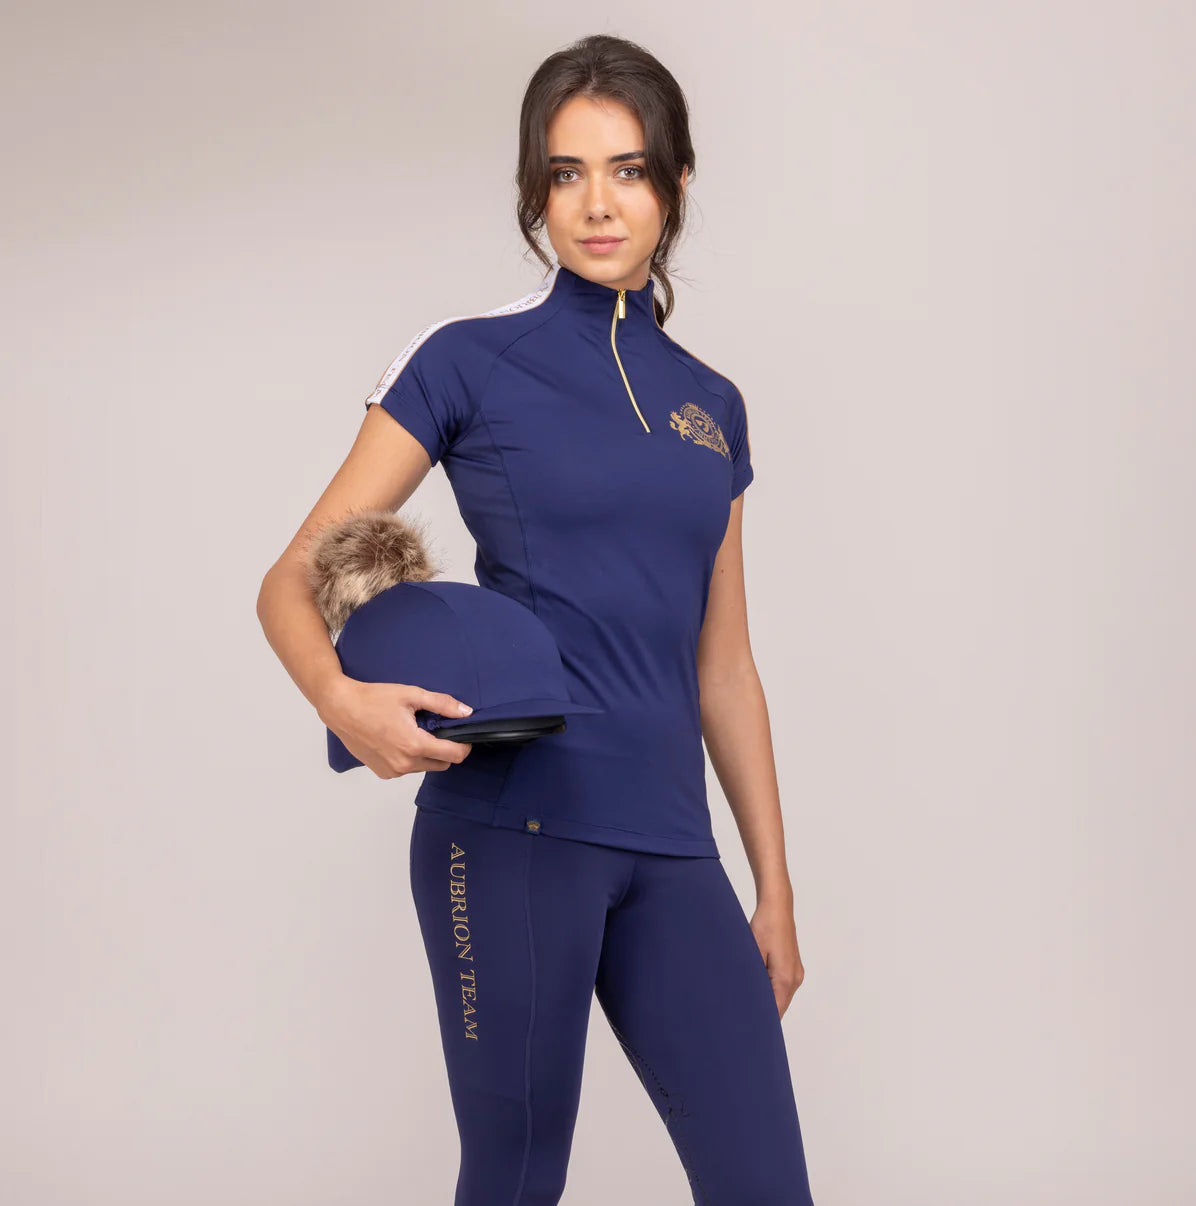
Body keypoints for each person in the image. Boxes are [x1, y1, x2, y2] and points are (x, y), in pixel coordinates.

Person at [257, 32, 817, 1206]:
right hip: (513, 836)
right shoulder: (470, 359)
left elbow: (724, 668)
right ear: (536, 190)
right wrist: (341, 700)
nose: (597, 204)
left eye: (628, 170)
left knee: (765, 1187)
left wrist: (771, 887)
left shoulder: (712, 407)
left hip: (672, 846)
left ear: (674, 184)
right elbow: (292, 578)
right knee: (516, 1181)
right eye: (567, 174)